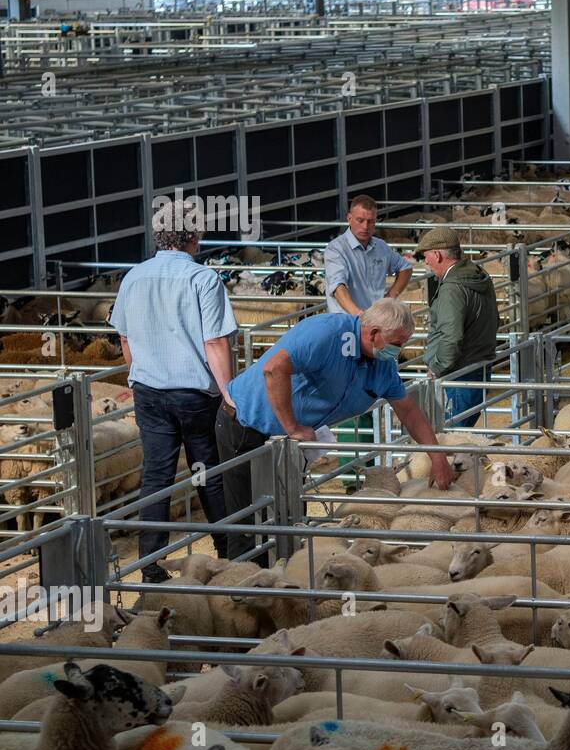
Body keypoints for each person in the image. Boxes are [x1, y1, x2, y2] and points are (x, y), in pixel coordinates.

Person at [216, 299, 454, 562]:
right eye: (397, 343)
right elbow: (274, 368)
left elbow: (407, 409)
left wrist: (437, 455)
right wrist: (293, 427)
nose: (400, 350)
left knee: (290, 512)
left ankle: (285, 579)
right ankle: (242, 589)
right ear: (374, 334)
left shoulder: (382, 364)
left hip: (291, 440)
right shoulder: (326, 334)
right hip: (247, 424)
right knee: (247, 518)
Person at [110, 217, 236, 579]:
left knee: (156, 475)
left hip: (150, 394)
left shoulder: (133, 276)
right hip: (194, 394)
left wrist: (138, 378)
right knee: (206, 473)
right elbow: (214, 341)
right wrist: (229, 394)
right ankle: (227, 552)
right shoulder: (202, 278)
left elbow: (125, 337)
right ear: (193, 238)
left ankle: (150, 566)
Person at [422, 229, 501, 428]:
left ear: (437, 255)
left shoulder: (452, 288)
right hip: (479, 363)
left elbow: (451, 336)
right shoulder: (478, 275)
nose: (425, 263)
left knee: (452, 437)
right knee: (461, 432)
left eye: (426, 256)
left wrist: (437, 367)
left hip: (459, 372)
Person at [324, 195, 413, 315]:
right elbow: (338, 287)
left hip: (376, 318)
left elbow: (405, 267)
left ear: (376, 221)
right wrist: (358, 314)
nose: (365, 227)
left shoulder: (381, 246)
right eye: (360, 220)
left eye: (370, 221)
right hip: (347, 321)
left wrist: (390, 297)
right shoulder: (336, 249)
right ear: (349, 218)